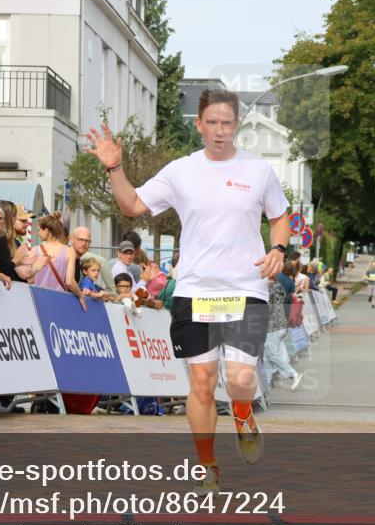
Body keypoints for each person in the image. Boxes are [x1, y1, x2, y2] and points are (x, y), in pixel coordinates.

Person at [85, 87, 290, 490]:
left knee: (240, 380)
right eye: (211, 122)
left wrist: (279, 248)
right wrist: (114, 168)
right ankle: (207, 465)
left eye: (226, 123)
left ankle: (244, 412)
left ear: (237, 125)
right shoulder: (181, 171)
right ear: (199, 125)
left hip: (246, 288)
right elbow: (133, 206)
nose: (219, 130)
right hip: (195, 290)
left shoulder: (258, 171)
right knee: (201, 381)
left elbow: (280, 217)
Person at [27, 213, 87, 310]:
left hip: (37, 300)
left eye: (39, 230)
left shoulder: (35, 250)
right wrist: (81, 296)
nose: (38, 233)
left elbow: (29, 279)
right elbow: (69, 282)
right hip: (59, 301)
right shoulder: (69, 251)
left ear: (46, 231)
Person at [262, 269, 303, 391]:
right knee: (268, 354)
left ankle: (292, 373)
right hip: (280, 324)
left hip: (273, 326)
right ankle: (267, 382)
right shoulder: (278, 286)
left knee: (272, 354)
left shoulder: (269, 289)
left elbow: (268, 309)